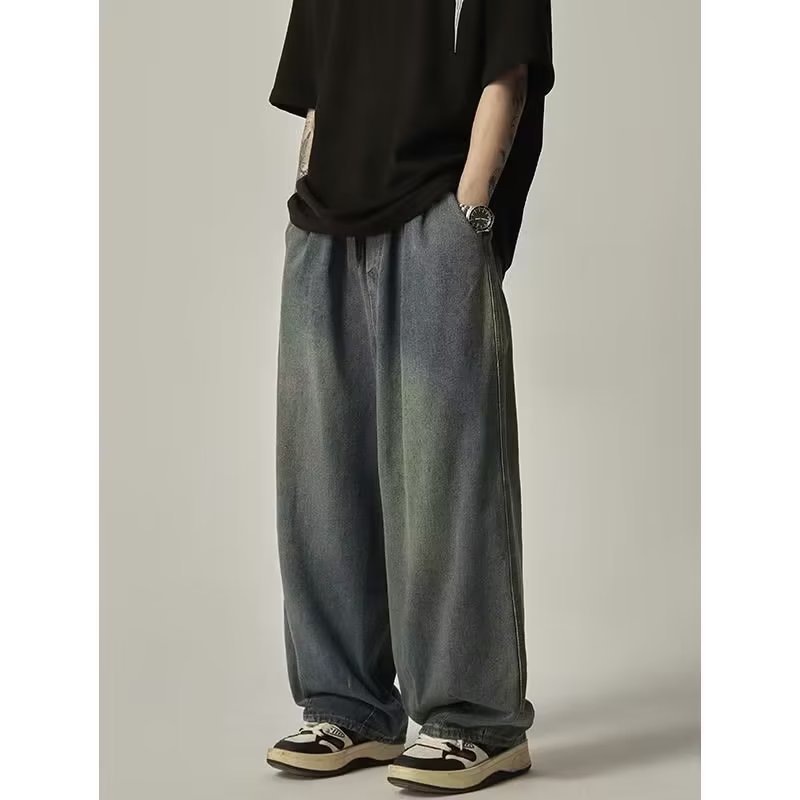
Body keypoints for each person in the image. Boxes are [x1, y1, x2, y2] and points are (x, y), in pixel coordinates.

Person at [265, 0, 554, 793]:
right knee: (320, 482)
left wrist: (470, 214)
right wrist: (304, 192)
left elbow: (509, 70)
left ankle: (476, 720)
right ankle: (348, 706)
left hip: (436, 220)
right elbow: (318, 90)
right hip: (323, 226)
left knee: (445, 482)